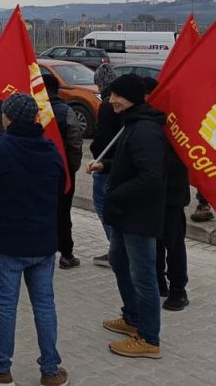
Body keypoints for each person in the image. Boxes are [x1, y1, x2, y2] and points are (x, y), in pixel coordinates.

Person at [0, 93, 69, 386]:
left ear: (7, 118)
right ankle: (51, 371)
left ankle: (0, 368)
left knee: (5, 305)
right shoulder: (50, 151)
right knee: (45, 305)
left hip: (7, 244)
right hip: (43, 243)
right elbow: (61, 187)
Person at [86, 74, 166, 359]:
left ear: (129, 97)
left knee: (143, 276)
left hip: (139, 217)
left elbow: (151, 178)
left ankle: (149, 338)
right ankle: (132, 318)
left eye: (115, 96)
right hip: (124, 214)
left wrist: (116, 193)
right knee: (119, 261)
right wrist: (104, 166)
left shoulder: (146, 130)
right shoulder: (131, 124)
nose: (110, 101)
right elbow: (127, 163)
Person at [144, 77, 190, 312]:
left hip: (171, 195)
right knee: (156, 243)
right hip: (154, 196)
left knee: (173, 244)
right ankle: (159, 282)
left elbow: (178, 160)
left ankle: (178, 290)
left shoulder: (172, 124)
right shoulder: (151, 122)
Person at [41, 73, 84, 269]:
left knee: (41, 211)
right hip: (62, 172)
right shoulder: (65, 111)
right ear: (56, 89)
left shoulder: (34, 109)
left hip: (37, 172)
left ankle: (42, 251)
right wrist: (72, 168)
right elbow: (75, 143)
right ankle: (66, 255)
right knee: (63, 213)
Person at [90, 64, 120, 267]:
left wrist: (95, 152)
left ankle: (116, 251)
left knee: (103, 206)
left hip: (105, 163)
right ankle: (117, 250)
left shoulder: (108, 105)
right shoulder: (121, 102)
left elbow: (103, 135)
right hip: (118, 162)